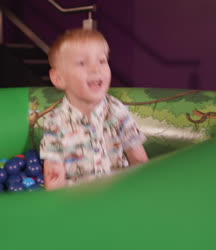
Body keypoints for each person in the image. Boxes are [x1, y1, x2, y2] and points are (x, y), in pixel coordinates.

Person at [40, 28, 149, 191]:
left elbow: (139, 159)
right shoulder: (55, 122)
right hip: (78, 200)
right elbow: (54, 176)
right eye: (82, 63)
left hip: (118, 192)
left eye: (102, 61)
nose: (96, 69)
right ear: (59, 78)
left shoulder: (116, 111)